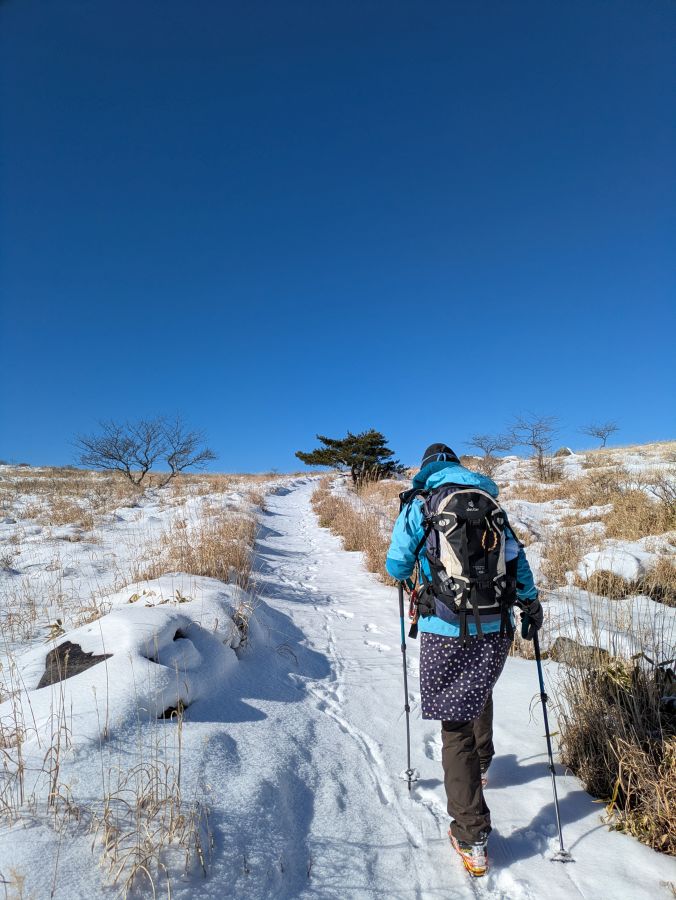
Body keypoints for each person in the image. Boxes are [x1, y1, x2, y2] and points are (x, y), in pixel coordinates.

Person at [385, 443, 542, 877]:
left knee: (455, 727)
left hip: (445, 627)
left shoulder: (422, 504)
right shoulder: (491, 504)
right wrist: (530, 605)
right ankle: (485, 760)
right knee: (477, 689)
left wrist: (416, 570)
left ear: (426, 470)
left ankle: (471, 834)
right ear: (457, 466)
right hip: (495, 626)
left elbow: (396, 565)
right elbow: (517, 562)